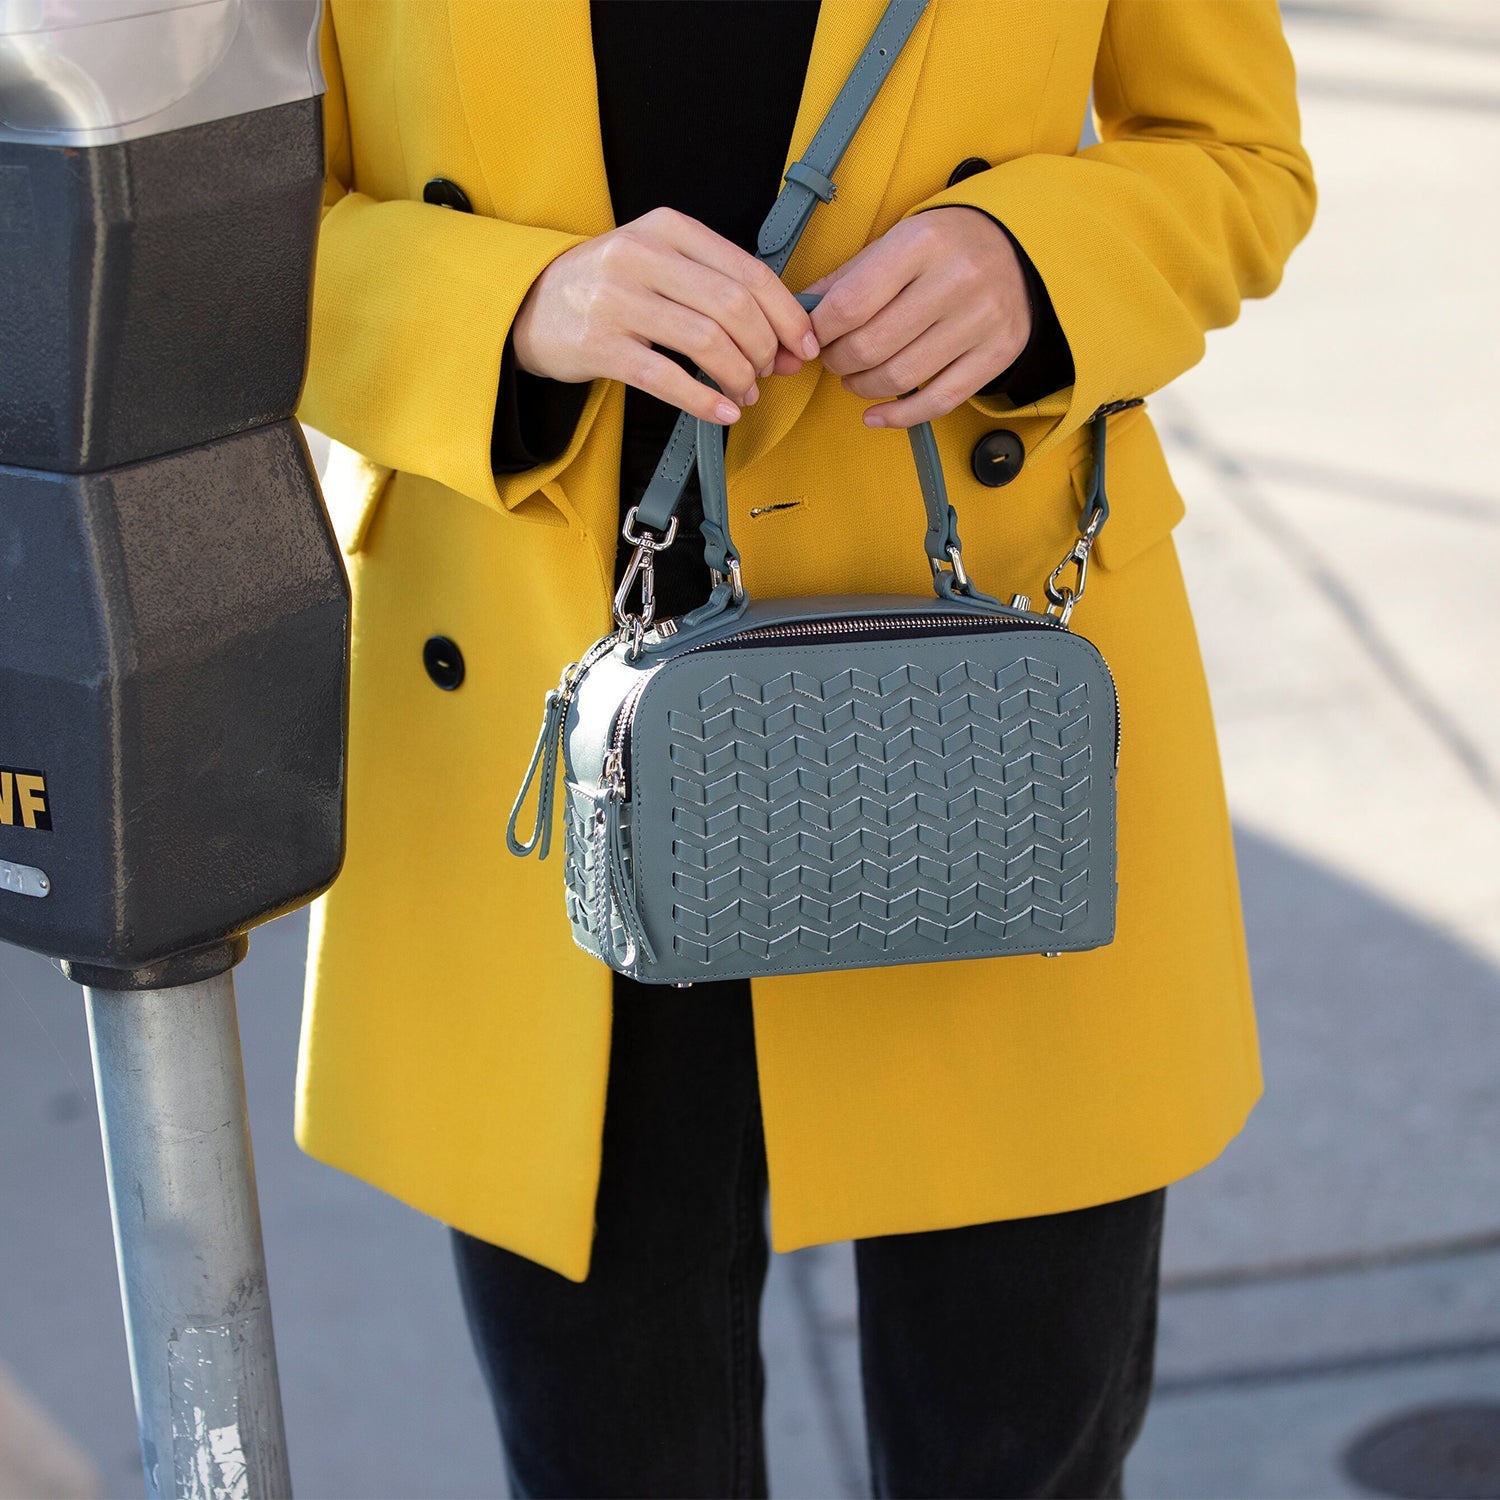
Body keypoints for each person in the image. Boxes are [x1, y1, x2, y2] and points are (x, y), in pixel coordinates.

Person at [296, 3, 1315, 1495]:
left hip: (974, 745)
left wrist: (1037, 260)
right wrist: (508, 303)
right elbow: (196, 229)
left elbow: (1240, 158)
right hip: (566, 754)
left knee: (1016, 1448)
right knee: (614, 1456)